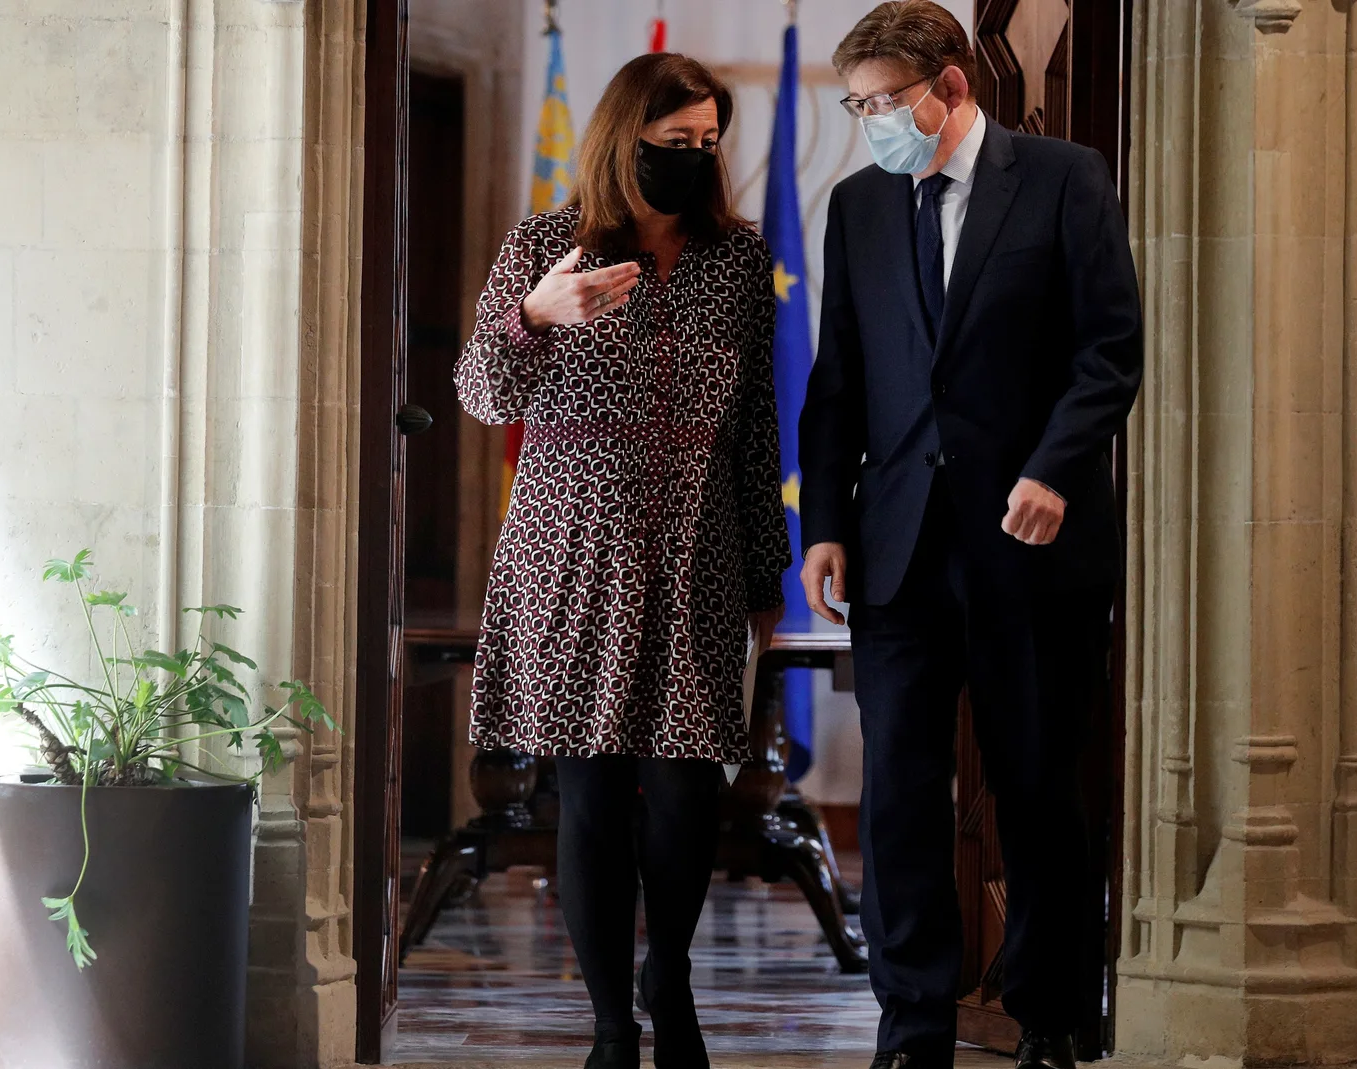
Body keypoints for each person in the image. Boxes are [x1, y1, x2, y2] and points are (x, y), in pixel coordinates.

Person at [798, 4, 1143, 1069]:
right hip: (898, 546)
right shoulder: (857, 205)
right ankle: (911, 1026)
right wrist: (825, 528)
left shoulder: (1061, 177)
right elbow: (838, 380)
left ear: (950, 86)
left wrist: (1052, 470)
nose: (869, 125)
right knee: (898, 792)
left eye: (883, 103)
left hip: (1029, 545)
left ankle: (1047, 1019)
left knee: (1037, 785)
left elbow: (1108, 350)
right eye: (853, 107)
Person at [454, 53, 789, 1069]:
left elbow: (757, 425)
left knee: (687, 793)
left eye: (704, 142)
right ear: (621, 138)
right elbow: (479, 391)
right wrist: (534, 317)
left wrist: (768, 570)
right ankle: (610, 1024)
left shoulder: (737, 261)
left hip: (698, 548)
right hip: (570, 550)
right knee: (591, 793)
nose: (690, 157)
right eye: (670, 141)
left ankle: (669, 979)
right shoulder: (544, 245)